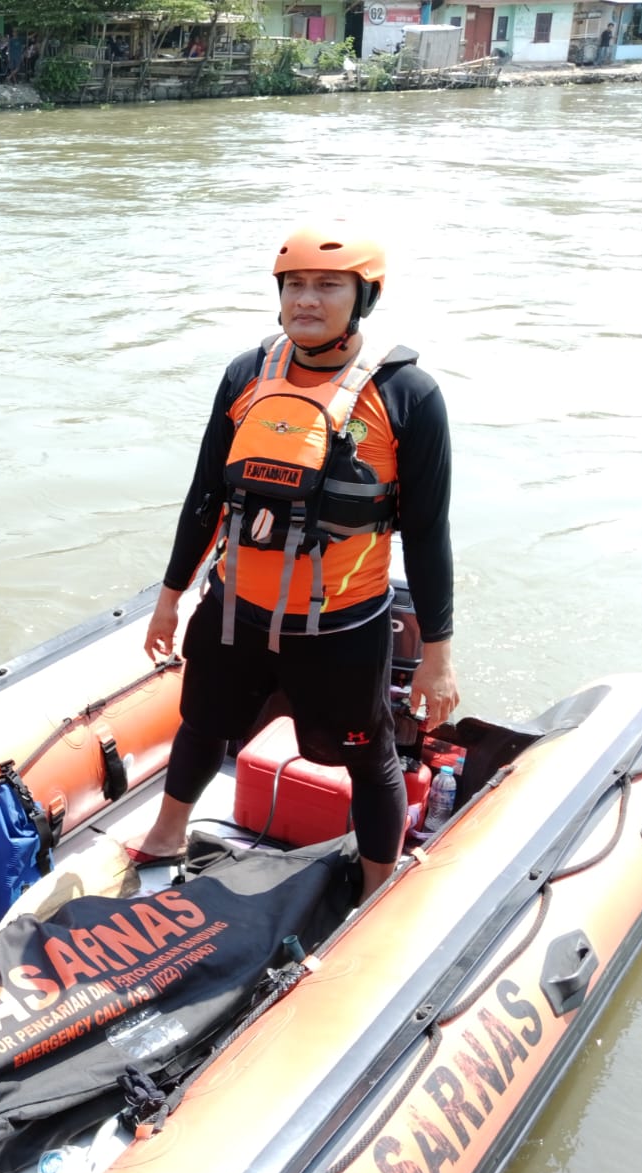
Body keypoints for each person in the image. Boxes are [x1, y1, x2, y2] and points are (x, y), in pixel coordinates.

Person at [123, 225, 458, 902]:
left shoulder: (408, 396)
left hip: (341, 625)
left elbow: (426, 530)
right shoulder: (246, 374)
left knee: (368, 758)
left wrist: (438, 652)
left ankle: (375, 890)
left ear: (362, 298)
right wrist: (170, 594)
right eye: (295, 285)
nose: (308, 300)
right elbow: (206, 495)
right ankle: (165, 836)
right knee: (202, 723)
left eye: (329, 285)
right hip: (232, 611)